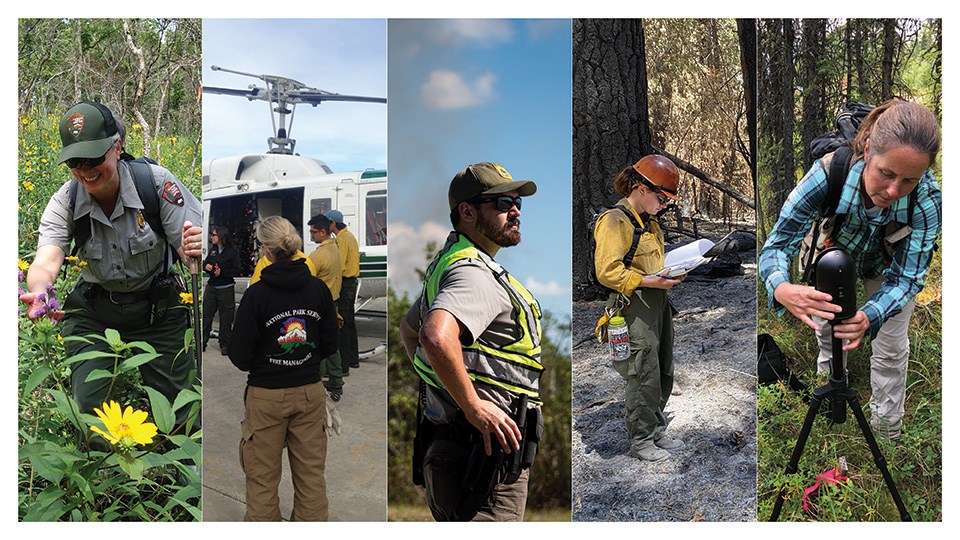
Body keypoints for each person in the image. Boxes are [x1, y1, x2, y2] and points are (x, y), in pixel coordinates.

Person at [19, 101, 203, 439]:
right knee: (91, 411)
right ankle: (103, 470)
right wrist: (40, 292)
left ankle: (190, 479)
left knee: (182, 409)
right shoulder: (67, 201)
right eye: (75, 161)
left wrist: (195, 250)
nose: (85, 170)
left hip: (157, 313)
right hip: (96, 314)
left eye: (94, 158)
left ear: (117, 147)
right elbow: (47, 258)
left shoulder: (157, 185)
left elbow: (189, 247)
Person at [759, 99, 941, 440]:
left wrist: (870, 315)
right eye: (886, 173)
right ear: (869, 148)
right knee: (827, 330)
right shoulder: (829, 173)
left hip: (887, 266)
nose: (892, 191)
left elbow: (908, 278)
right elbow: (777, 245)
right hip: (834, 255)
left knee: (890, 345)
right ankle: (828, 392)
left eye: (908, 181)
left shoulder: (928, 200)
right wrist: (781, 288)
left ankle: (887, 430)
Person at [399, 162, 543, 521]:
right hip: (485, 461)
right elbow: (434, 336)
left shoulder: (449, 264)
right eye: (502, 202)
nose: (515, 211)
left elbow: (409, 330)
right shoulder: (473, 273)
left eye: (518, 204)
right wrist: (474, 407)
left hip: (453, 450)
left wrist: (446, 392)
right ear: (467, 211)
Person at [228, 216, 339, 521]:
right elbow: (330, 343)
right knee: (311, 475)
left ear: (266, 250)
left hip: (266, 396)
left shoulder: (256, 295)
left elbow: (239, 355)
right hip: (309, 392)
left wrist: (267, 361)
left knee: (262, 478)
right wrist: (304, 357)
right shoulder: (318, 290)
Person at [593, 154, 686, 462]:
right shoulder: (615, 221)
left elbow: (654, 262)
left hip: (658, 302)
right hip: (633, 306)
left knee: (663, 367)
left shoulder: (651, 222)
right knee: (642, 371)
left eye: (668, 201)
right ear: (642, 189)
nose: (664, 205)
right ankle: (641, 439)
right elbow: (606, 271)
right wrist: (647, 280)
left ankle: (657, 429)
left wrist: (672, 272)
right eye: (662, 198)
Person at [306, 214, 345, 391]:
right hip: (333, 302)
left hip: (320, 305)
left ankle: (317, 378)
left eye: (313, 232)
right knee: (332, 343)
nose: (311, 235)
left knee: (316, 342)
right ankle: (336, 380)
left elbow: (305, 281)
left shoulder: (318, 255)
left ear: (323, 231)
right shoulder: (336, 248)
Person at [325, 209, 361, 374]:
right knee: (350, 322)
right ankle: (353, 359)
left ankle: (344, 364)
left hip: (345, 283)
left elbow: (339, 265)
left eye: (327, 223)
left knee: (343, 324)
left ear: (333, 223)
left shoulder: (341, 240)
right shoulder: (349, 236)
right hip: (352, 283)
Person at [202, 225, 241, 355]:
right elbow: (206, 262)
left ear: (221, 237)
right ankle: (202, 342)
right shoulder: (213, 250)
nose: (211, 237)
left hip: (226, 288)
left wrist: (222, 272)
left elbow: (237, 270)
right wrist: (205, 266)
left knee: (226, 318)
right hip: (211, 288)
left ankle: (225, 344)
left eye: (214, 235)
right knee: (206, 316)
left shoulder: (231, 252)